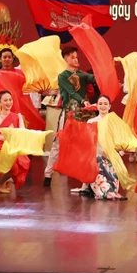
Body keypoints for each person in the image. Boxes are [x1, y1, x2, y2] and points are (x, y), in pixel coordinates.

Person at [44, 46, 97, 187]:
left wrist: (106, 70)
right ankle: (48, 174)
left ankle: (89, 179)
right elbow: (71, 92)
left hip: (84, 113)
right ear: (65, 59)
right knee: (58, 143)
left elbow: (94, 78)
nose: (76, 59)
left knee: (88, 143)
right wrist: (83, 101)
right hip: (69, 113)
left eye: (76, 57)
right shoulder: (62, 76)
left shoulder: (82, 75)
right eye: (73, 57)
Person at [79, 95, 128, 200]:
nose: (103, 106)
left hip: (111, 158)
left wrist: (120, 153)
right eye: (100, 104)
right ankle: (103, 192)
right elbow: (87, 142)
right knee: (102, 183)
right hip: (96, 158)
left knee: (113, 185)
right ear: (96, 106)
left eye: (105, 104)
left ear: (109, 106)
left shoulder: (115, 122)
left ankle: (104, 191)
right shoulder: (91, 122)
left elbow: (121, 141)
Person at [0, 90, 27, 194]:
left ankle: (2, 183)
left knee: (20, 165)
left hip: (11, 146)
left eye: (10, 100)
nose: (8, 102)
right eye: (5, 100)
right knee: (13, 167)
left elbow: (22, 132)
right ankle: (0, 184)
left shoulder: (17, 116)